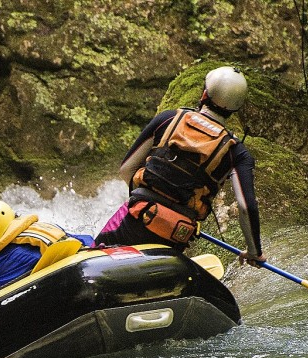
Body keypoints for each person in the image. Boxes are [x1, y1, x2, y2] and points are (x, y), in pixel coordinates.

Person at [95, 65, 267, 266]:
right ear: (236, 108)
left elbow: (126, 169)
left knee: (94, 254)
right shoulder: (236, 152)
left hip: (136, 218)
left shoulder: (168, 119)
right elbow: (246, 207)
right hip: (176, 233)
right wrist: (254, 252)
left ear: (205, 94)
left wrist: (142, 196)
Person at [0, 199, 96, 296]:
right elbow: (87, 241)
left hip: (76, 286)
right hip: (90, 271)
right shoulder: (43, 228)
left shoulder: (9, 258)